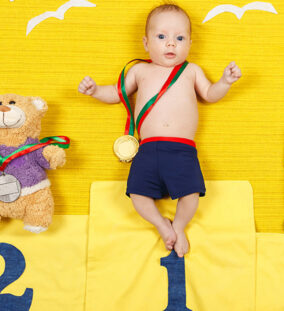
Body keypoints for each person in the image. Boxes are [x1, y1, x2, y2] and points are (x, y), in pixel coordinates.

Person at [78, 3, 241, 257]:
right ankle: (161, 225)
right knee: (137, 196)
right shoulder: (139, 70)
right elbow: (116, 93)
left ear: (189, 43)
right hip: (148, 148)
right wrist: (95, 91)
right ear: (145, 43)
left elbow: (210, 94)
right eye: (161, 37)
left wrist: (225, 82)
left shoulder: (191, 71)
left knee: (191, 195)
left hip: (182, 149)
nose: (171, 44)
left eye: (179, 38)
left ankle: (178, 225)